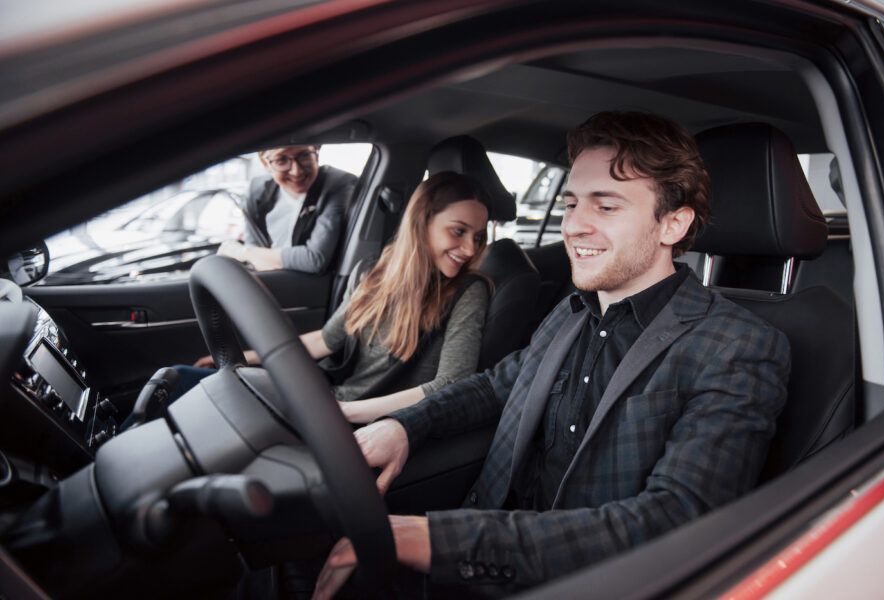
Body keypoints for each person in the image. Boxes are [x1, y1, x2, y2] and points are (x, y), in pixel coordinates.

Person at [313, 111, 790, 598]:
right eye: (571, 203)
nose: (574, 226)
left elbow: (676, 520)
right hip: (489, 560)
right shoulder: (571, 312)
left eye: (606, 207)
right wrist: (406, 425)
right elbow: (496, 385)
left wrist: (436, 539)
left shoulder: (736, 345)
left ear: (673, 224)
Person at [181, 171, 492, 424]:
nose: (469, 250)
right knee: (179, 380)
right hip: (325, 398)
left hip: (360, 420)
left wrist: (343, 413)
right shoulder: (373, 272)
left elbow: (451, 383)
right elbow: (326, 341)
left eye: (477, 237)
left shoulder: (468, 291)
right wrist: (241, 358)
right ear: (421, 223)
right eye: (458, 231)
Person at [217, 145, 357, 274]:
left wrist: (242, 252)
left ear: (316, 153)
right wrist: (254, 255)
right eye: (281, 160)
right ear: (265, 163)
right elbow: (254, 252)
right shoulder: (257, 190)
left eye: (304, 156)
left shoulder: (337, 184)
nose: (296, 171)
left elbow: (315, 259)